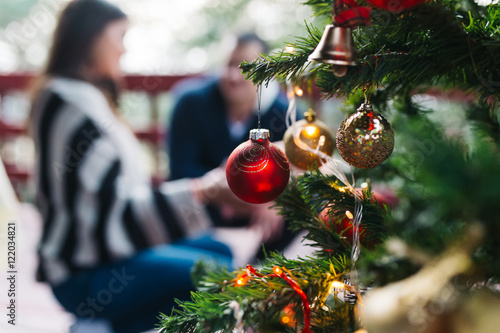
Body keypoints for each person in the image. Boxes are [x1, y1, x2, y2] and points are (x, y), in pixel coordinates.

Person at [30, 1, 260, 332]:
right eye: (119, 36)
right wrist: (204, 190)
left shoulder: (80, 99)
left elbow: (117, 205)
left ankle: (111, 322)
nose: (124, 49)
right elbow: (115, 216)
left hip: (107, 251)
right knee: (219, 273)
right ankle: (103, 322)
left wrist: (204, 191)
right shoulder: (69, 106)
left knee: (218, 249)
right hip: (84, 271)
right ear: (90, 38)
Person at [168, 34, 298, 254]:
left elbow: (299, 169)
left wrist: (279, 200)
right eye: (229, 64)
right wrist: (237, 191)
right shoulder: (190, 103)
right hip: (205, 213)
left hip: (264, 223)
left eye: (245, 67)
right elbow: (180, 170)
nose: (233, 75)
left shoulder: (285, 113)